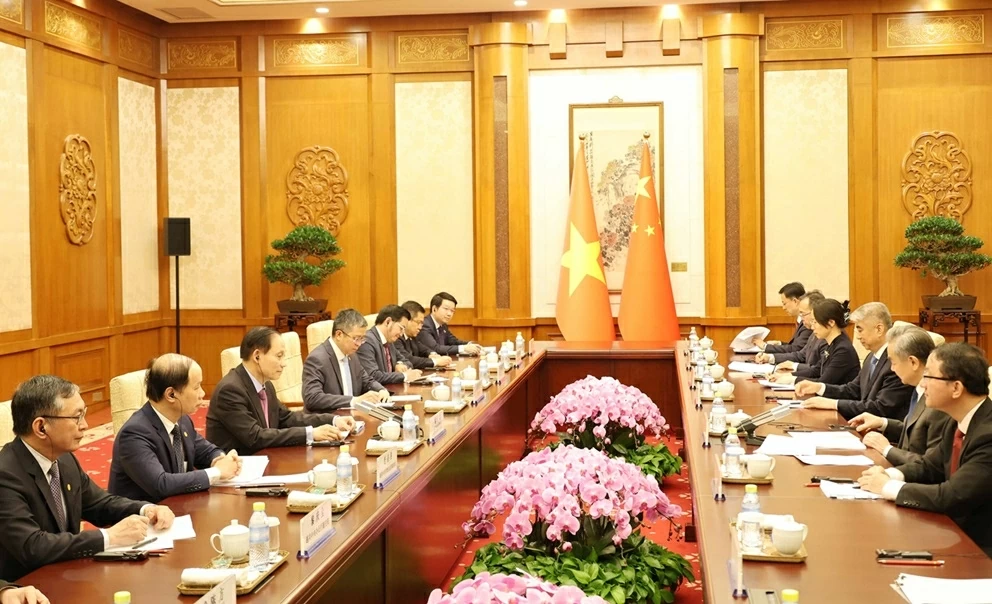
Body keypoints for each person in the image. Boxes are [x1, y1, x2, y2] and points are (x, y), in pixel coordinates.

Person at [0, 376, 175, 581]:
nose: (85, 425)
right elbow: (32, 547)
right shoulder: (6, 475)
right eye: (76, 417)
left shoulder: (64, 458)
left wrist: (146, 509)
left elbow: (99, 504)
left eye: (84, 414)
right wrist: (109, 537)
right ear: (41, 427)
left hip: (67, 575)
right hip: (26, 587)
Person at [858, 343, 992, 556]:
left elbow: (952, 496)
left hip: (979, 550)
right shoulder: (957, 421)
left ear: (956, 388)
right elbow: (930, 466)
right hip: (951, 533)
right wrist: (889, 474)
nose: (923, 384)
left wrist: (888, 487)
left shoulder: (987, 435)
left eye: (929, 376)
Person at [109, 354, 243, 503]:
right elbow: (161, 484)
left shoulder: (182, 419)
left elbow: (205, 451)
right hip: (142, 519)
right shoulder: (134, 434)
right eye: (196, 387)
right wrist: (217, 472)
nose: (202, 394)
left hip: (179, 509)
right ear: (171, 394)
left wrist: (221, 459)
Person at [207, 328, 354, 454]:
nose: (284, 364)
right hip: (237, 471)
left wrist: (333, 420)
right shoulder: (230, 390)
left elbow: (286, 418)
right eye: (279, 356)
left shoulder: (266, 385)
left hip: (266, 459)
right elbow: (256, 437)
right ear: (257, 356)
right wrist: (311, 433)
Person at [849, 326, 951, 466]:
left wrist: (887, 449)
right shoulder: (918, 390)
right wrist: (882, 423)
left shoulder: (937, 402)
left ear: (913, 362)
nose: (891, 368)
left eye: (893, 362)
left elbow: (930, 466)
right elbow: (916, 432)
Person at [796, 302, 914, 420]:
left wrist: (834, 404)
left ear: (879, 329)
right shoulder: (871, 357)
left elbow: (880, 408)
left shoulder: (895, 364)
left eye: (860, 330)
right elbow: (853, 390)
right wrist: (819, 387)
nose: (857, 337)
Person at [303, 310, 390, 413]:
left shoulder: (352, 355)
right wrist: (353, 401)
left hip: (353, 417)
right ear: (339, 334)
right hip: (329, 421)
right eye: (356, 338)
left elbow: (366, 381)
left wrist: (381, 390)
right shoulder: (317, 359)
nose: (359, 344)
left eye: (362, 339)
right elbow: (312, 398)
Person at [768, 298, 859, 387]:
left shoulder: (842, 349)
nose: (812, 327)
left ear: (831, 322)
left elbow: (824, 382)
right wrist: (788, 376)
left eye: (815, 322)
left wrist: (792, 380)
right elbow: (816, 370)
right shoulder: (831, 343)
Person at [756, 291, 825, 369]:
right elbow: (801, 355)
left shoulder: (825, 337)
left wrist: (793, 371)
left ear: (815, 313)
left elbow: (818, 370)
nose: (801, 318)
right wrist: (770, 358)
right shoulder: (813, 334)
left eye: (803, 314)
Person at [356, 305, 423, 385]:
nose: (401, 334)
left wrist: (399, 364)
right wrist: (404, 376)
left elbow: (407, 362)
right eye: (401, 328)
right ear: (388, 322)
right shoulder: (367, 341)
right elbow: (373, 376)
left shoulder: (389, 341)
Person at [750, 282, 811, 353]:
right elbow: (794, 346)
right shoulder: (799, 320)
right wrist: (779, 343)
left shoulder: (807, 322)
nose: (783, 308)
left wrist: (765, 346)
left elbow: (796, 349)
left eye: (784, 303)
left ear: (795, 301)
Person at [417, 292, 482, 356]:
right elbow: (435, 348)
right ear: (434, 309)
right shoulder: (424, 325)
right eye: (446, 309)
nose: (449, 314)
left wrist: (470, 344)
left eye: (452, 311)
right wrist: (464, 348)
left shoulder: (443, 324)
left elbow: (453, 341)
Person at [396, 301, 452, 370]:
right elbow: (409, 359)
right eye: (418, 323)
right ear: (407, 320)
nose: (420, 327)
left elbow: (423, 349)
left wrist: (432, 354)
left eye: (422, 324)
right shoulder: (396, 337)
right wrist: (436, 362)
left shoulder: (412, 336)